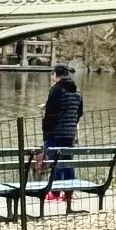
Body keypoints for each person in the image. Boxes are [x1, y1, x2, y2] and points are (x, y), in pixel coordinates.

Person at [41, 63, 84, 194]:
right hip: (70, 133)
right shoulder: (77, 92)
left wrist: (45, 133)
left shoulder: (57, 89)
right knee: (67, 161)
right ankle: (69, 193)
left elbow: (50, 114)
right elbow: (79, 112)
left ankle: (55, 192)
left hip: (56, 132)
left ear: (56, 75)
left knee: (56, 162)